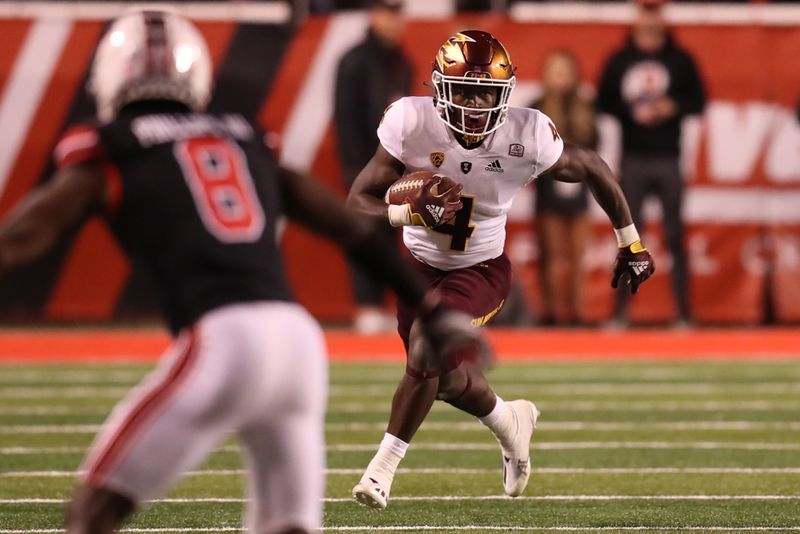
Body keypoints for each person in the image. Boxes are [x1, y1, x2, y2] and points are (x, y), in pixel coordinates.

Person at [0, 11, 486, 534]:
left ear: (111, 75)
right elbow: (351, 229)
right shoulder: (243, 135)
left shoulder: (114, 146)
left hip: (223, 341)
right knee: (288, 526)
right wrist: (431, 309)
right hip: (297, 345)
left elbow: (25, 235)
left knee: (91, 512)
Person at [346, 29, 655, 509]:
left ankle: (381, 470)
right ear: (438, 89)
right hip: (417, 266)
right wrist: (406, 212)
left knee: (429, 347)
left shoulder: (525, 134)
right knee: (442, 378)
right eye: (463, 91)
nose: (474, 104)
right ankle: (510, 421)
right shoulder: (410, 122)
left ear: (505, 93)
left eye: (485, 92)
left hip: (482, 268)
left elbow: (592, 165)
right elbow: (356, 203)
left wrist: (630, 241)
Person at [597, 1, 705, 328]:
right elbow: (603, 100)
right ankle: (620, 313)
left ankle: (683, 312)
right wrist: (633, 112)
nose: (650, 19)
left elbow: (699, 100)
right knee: (628, 237)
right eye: (645, 11)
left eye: (655, 11)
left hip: (668, 157)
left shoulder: (681, 59)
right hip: (634, 158)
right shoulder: (620, 59)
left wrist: (672, 107)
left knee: (675, 236)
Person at [334, 0, 412, 334]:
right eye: (387, 12)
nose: (393, 21)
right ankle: (367, 305)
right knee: (363, 231)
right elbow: (346, 117)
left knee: (394, 231)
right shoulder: (353, 60)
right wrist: (353, 165)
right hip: (365, 161)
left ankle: (385, 304)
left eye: (397, 13)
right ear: (374, 15)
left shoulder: (402, 62)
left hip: (396, 162)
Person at [530, 50, 598, 326]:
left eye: (565, 71)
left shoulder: (585, 107)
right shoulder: (537, 107)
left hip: (578, 188)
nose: (561, 78)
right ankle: (552, 312)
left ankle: (578, 312)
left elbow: (594, 147)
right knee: (552, 255)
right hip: (548, 189)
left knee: (577, 256)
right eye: (555, 71)